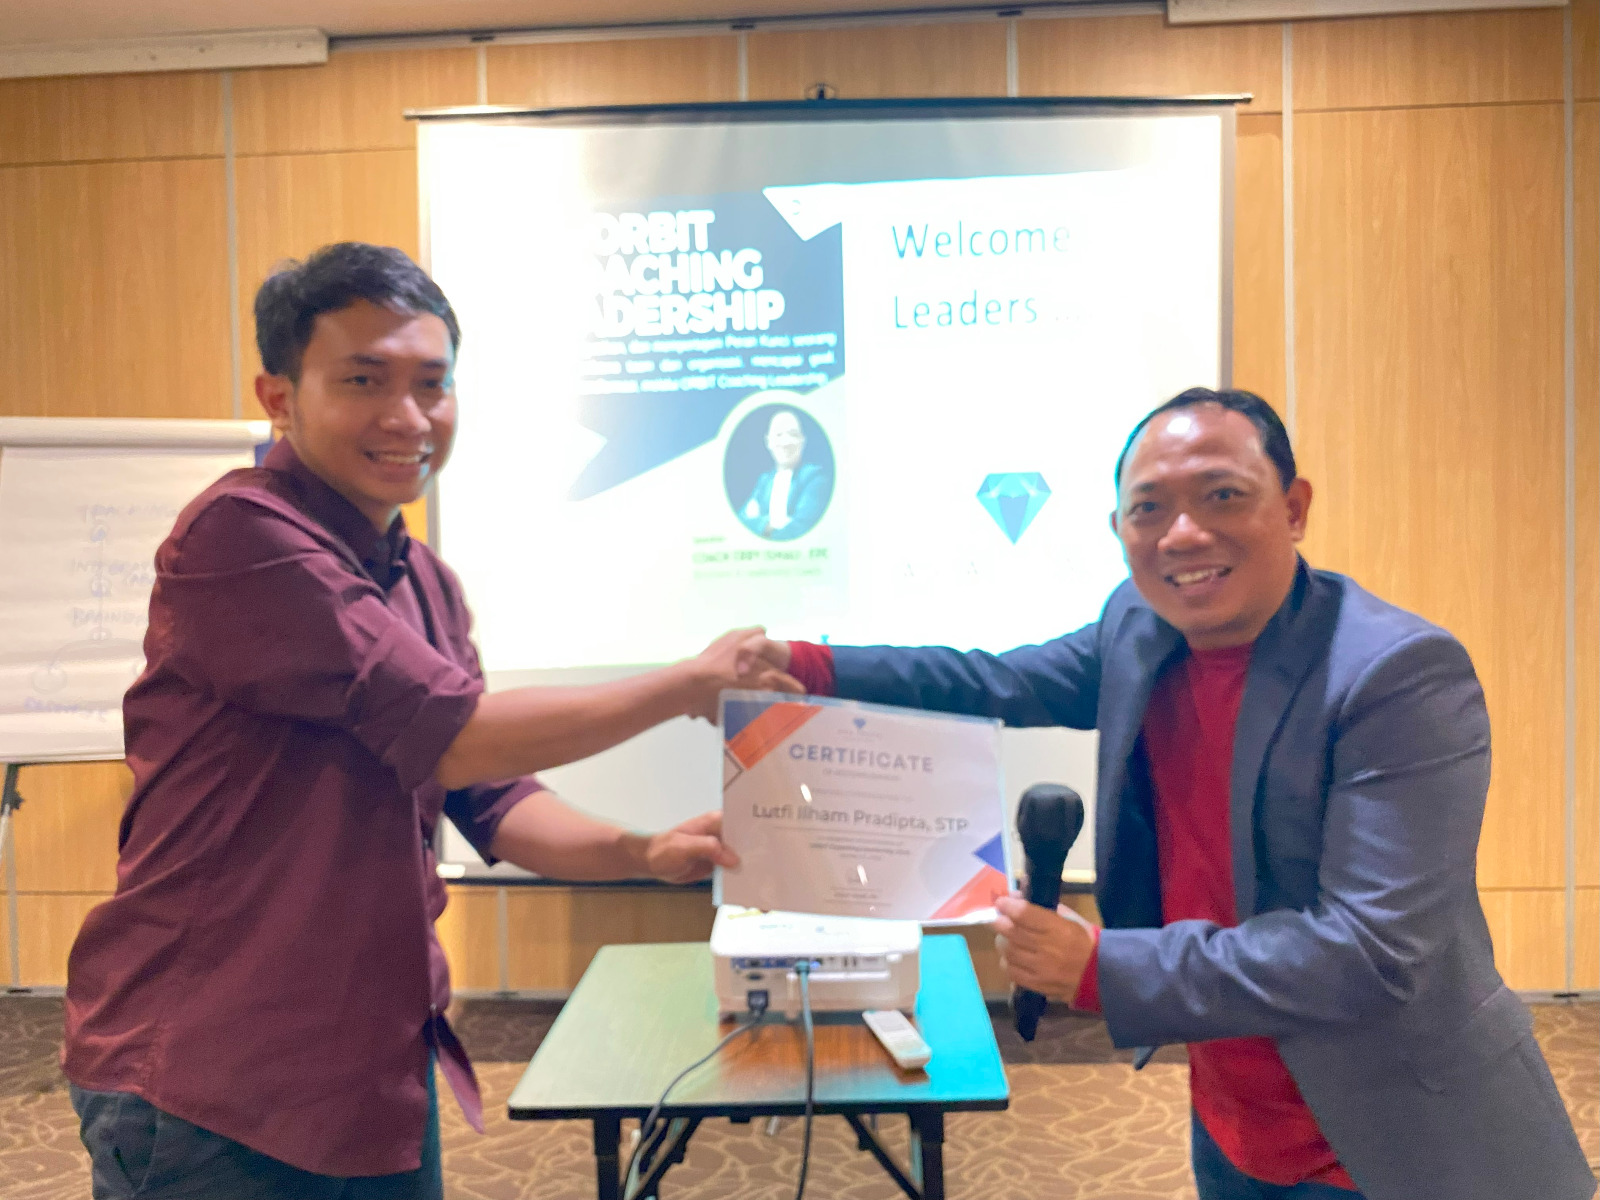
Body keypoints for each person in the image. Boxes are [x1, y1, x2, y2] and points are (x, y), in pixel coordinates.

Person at [61, 242, 800, 1200]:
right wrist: (685, 685)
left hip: (370, 1065)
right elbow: (455, 737)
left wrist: (643, 850)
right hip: (214, 1072)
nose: (408, 417)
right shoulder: (244, 536)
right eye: (363, 380)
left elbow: (491, 797)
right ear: (278, 396)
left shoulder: (424, 580)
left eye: (432, 384)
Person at [747, 388, 1595, 1200]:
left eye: (1222, 495)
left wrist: (1101, 966)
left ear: (1294, 508)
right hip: (1230, 1112)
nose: (1183, 533)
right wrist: (807, 666)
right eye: (1149, 508)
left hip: (1392, 1135)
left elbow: (1370, 953)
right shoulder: (1141, 624)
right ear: (1118, 529)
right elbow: (996, 681)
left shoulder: (1395, 676)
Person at [738, 408, 831, 540]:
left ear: (802, 441)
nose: (786, 442)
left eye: (793, 434)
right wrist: (767, 525)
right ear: (768, 442)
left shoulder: (815, 479)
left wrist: (759, 524)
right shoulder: (764, 481)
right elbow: (740, 523)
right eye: (778, 435)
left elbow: (801, 529)